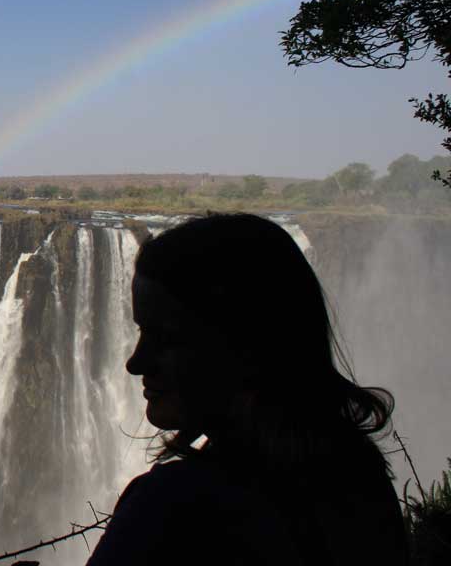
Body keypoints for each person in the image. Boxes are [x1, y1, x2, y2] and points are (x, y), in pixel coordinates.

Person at [86, 213, 407, 566]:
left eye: (165, 338)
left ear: (243, 345)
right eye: (140, 333)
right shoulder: (359, 477)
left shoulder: (172, 506)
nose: (135, 362)